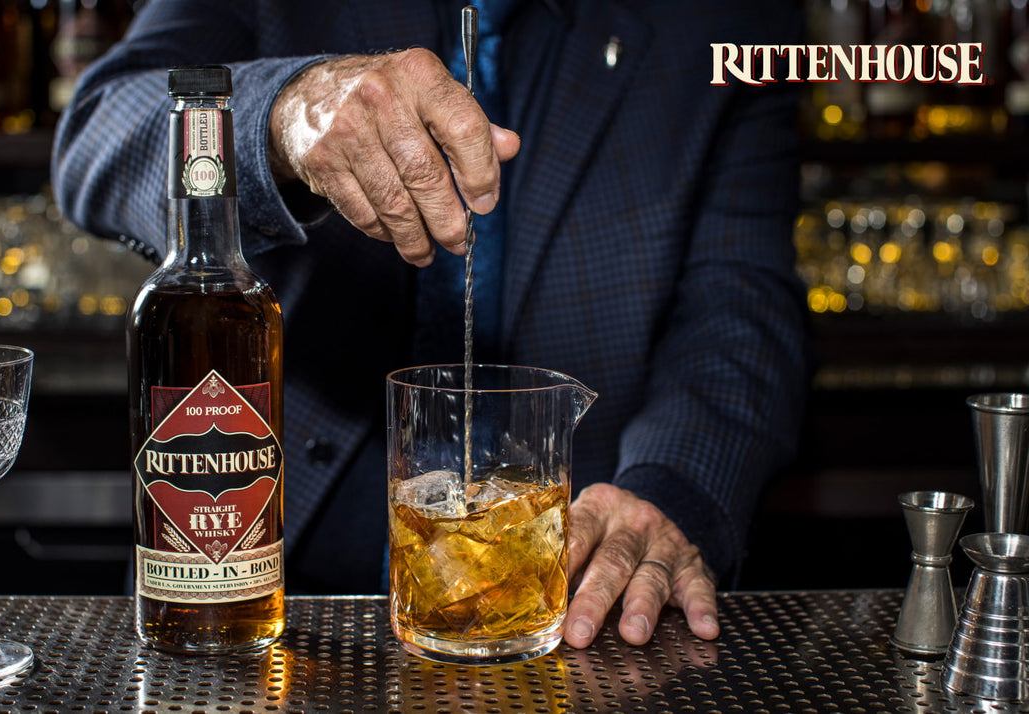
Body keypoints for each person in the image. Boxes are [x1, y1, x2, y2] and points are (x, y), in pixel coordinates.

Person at [52, 0, 812, 649]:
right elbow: (98, 129)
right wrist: (284, 113)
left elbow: (740, 305)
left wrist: (671, 491)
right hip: (255, 583)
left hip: (561, 599)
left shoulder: (725, 17)